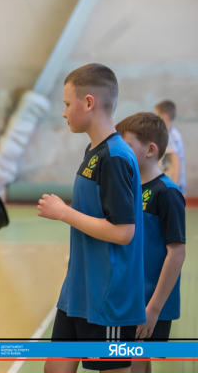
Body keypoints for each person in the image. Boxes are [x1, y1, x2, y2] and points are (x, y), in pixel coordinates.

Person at [38, 63, 145, 373]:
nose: (63, 113)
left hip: (107, 299)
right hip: (78, 291)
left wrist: (64, 212)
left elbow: (123, 232)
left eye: (66, 104)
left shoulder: (115, 157)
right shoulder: (94, 151)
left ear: (88, 103)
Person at [116, 112, 186, 373]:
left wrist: (154, 308)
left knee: (130, 366)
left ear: (150, 150)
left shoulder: (167, 193)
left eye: (127, 146)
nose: (120, 152)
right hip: (130, 301)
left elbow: (177, 253)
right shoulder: (131, 189)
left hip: (148, 305)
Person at [154, 100, 186, 194]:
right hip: (174, 182)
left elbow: (176, 163)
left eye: (156, 116)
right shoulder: (174, 132)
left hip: (172, 182)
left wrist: (174, 187)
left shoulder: (169, 136)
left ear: (164, 117)